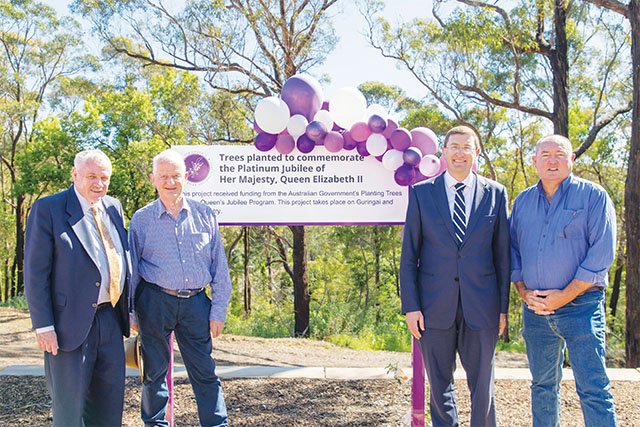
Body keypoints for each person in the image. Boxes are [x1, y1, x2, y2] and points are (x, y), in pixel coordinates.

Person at [400, 126, 510, 426]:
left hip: (483, 309)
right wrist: (411, 307)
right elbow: (409, 256)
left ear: (476, 153)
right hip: (433, 309)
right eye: (454, 147)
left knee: (483, 388)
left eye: (467, 147)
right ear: (444, 152)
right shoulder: (422, 194)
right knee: (439, 387)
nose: (460, 153)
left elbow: (503, 258)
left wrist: (503, 310)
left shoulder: (496, 194)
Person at [510, 135, 617, 426]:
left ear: (571, 160)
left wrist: (564, 297)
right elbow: (512, 251)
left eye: (560, 154)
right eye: (545, 155)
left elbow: (602, 254)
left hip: (582, 306)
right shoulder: (522, 202)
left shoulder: (593, 196)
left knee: (593, 388)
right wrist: (523, 292)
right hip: (535, 311)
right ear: (535, 161)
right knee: (543, 386)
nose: (552, 160)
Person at [24, 149, 130, 426]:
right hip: (66, 326)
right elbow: (36, 273)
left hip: (110, 320)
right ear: (74, 174)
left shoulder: (113, 207)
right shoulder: (49, 208)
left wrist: (129, 311)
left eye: (104, 178)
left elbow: (121, 257)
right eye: (91, 176)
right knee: (69, 410)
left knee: (109, 408)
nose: (98, 184)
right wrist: (43, 326)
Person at [129, 149, 231, 426]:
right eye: (163, 176)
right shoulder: (141, 219)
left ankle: (216, 423)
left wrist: (218, 309)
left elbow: (219, 267)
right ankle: (156, 423)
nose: (170, 181)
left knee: (205, 372)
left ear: (186, 177)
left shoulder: (205, 214)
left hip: (197, 304)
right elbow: (132, 271)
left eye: (175, 175)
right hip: (154, 301)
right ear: (153, 179)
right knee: (154, 372)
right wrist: (132, 313)